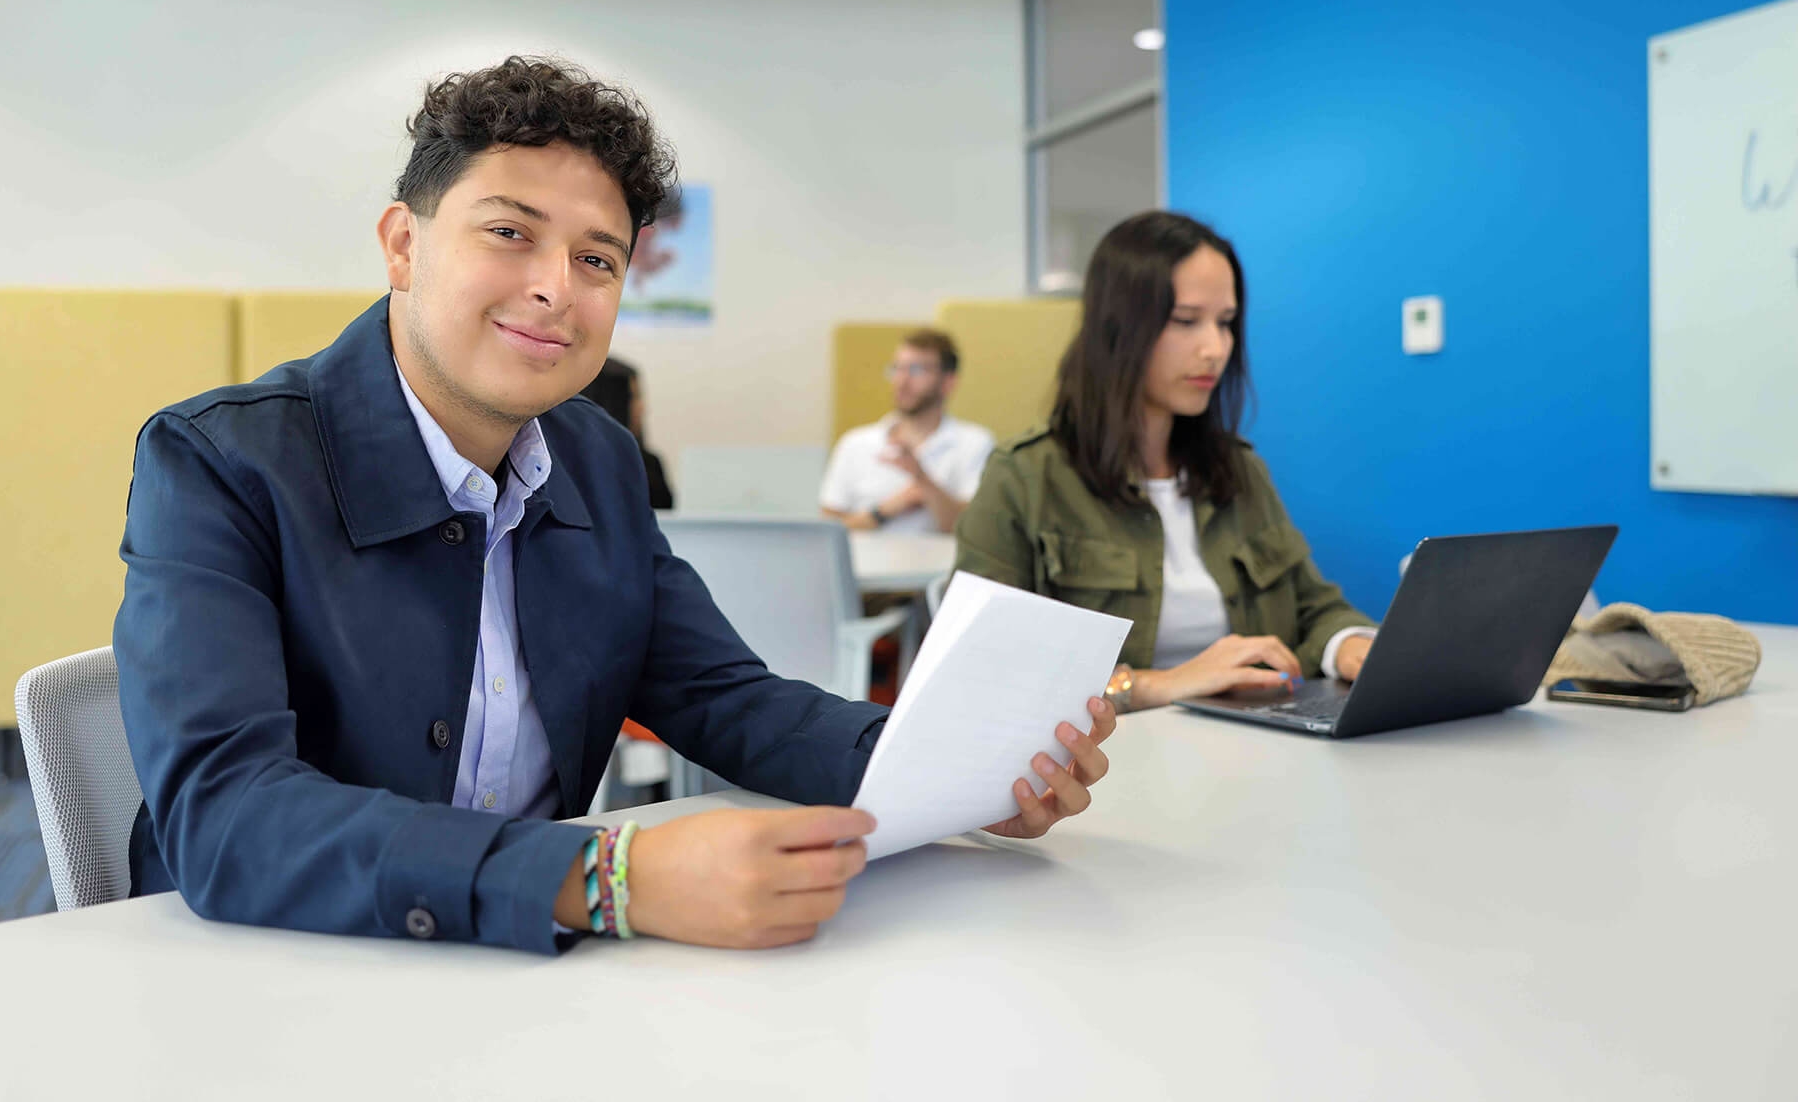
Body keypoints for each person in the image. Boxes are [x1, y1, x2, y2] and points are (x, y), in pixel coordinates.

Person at [114, 57, 1115, 956]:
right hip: (272, 969)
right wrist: (606, 879)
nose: (556, 287)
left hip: (528, 977)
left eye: (597, 259)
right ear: (401, 245)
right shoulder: (219, 460)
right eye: (509, 233)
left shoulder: (594, 457)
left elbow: (722, 696)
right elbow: (226, 815)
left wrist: (948, 771)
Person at [954, 211, 1378, 713]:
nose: (1215, 348)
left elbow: (1314, 607)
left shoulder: (1240, 471)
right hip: (1100, 768)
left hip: (1251, 745)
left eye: (1225, 323)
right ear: (1118, 328)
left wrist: (1350, 644)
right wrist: (1157, 685)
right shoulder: (1023, 477)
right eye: (1186, 321)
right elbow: (983, 667)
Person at [819, 329, 995, 534]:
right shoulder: (855, 443)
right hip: (866, 565)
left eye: (916, 370)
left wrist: (923, 480)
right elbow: (827, 531)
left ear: (948, 382)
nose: (902, 381)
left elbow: (975, 531)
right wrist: (887, 509)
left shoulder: (975, 443)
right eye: (897, 369)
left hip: (937, 566)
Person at [580, 356, 673, 509]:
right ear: (611, 401)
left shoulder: (649, 465)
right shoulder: (558, 466)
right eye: (634, 397)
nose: (642, 408)